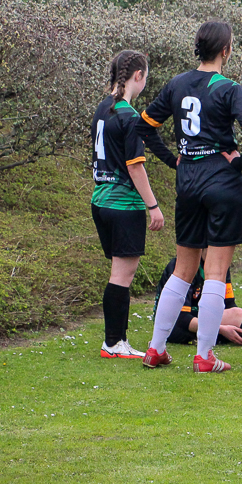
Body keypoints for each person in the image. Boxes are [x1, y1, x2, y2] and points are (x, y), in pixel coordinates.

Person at [137, 21, 242, 374]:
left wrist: (174, 160)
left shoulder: (178, 84)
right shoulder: (228, 88)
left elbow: (144, 127)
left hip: (189, 181)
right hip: (220, 181)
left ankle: (154, 349)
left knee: (182, 270)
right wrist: (239, 163)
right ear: (226, 51)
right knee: (216, 271)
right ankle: (205, 356)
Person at [90, 50, 165, 359]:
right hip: (123, 204)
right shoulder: (128, 115)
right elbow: (135, 167)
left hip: (100, 200)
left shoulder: (101, 108)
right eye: (145, 76)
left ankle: (117, 340)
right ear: (138, 76)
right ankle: (113, 343)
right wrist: (153, 206)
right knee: (122, 274)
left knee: (118, 272)